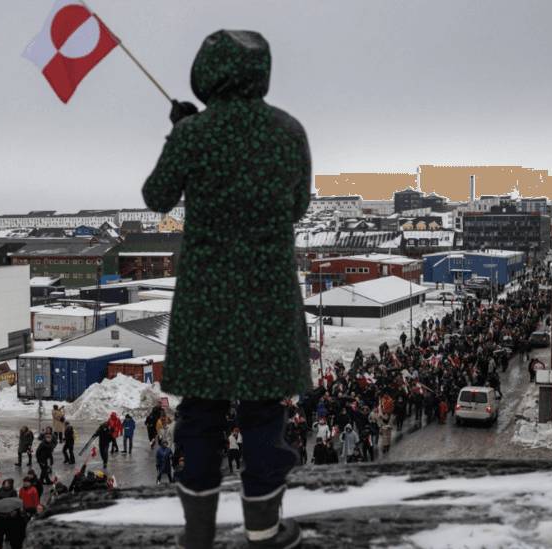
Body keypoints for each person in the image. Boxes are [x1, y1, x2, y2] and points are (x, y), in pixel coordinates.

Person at [143, 29, 311, 549]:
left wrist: (185, 133)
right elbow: (298, 205)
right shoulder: (287, 131)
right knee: (264, 413)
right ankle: (262, 529)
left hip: (206, 299)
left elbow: (156, 197)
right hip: (267, 294)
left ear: (205, 72)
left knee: (201, 414)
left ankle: (198, 536)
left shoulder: (195, 135)